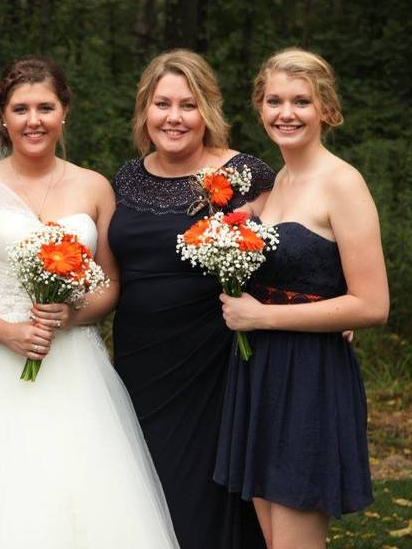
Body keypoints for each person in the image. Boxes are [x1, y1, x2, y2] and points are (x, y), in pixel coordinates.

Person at [0, 56, 179, 548]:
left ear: (64, 111)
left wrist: (71, 313)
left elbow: (110, 283)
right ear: (2, 117)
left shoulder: (94, 187)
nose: (33, 120)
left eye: (45, 107)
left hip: (74, 364)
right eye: (20, 108)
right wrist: (7, 332)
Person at [214, 48, 389, 549]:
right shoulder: (278, 183)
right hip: (261, 373)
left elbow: (372, 304)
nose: (285, 112)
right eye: (273, 100)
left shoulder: (343, 184)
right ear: (260, 107)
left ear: (326, 110)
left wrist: (263, 316)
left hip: (309, 377)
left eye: (301, 101)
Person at [108, 49, 272, 548]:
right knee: (143, 491)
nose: (174, 117)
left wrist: (319, 303)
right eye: (162, 104)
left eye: (188, 105)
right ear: (145, 110)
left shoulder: (248, 175)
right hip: (139, 359)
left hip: (216, 360)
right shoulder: (126, 178)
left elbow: (288, 247)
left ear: (208, 111)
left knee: (203, 492)